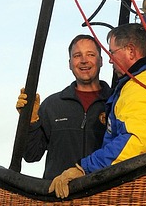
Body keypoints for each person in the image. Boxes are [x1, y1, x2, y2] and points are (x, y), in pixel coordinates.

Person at [49, 20, 146, 198]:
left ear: (131, 51)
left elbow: (134, 142)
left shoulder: (140, 87)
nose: (111, 59)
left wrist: (84, 168)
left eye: (112, 52)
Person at [21, 34, 111, 183]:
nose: (83, 60)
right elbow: (31, 155)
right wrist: (30, 121)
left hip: (105, 197)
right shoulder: (52, 105)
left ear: (101, 61)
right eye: (77, 55)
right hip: (60, 198)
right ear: (70, 63)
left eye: (90, 54)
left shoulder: (115, 103)